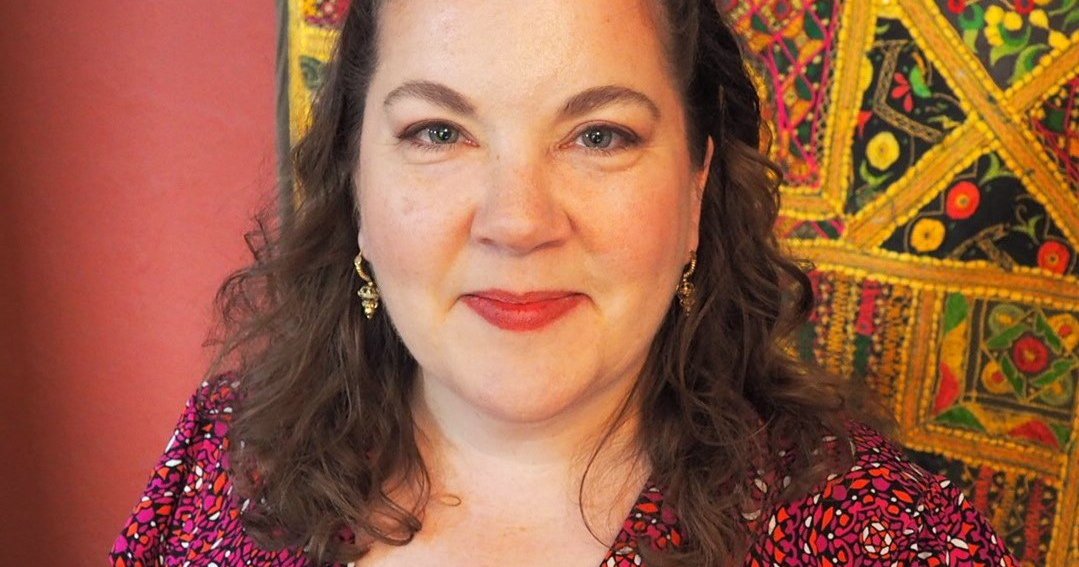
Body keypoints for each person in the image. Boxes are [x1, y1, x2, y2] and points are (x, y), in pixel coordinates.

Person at [110, 1, 1017, 565]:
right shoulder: (230, 455)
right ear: (354, 185)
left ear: (697, 191)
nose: (518, 220)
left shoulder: (888, 540)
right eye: (438, 132)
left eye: (599, 136)